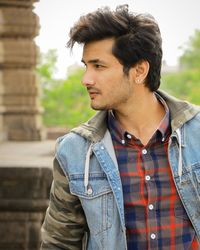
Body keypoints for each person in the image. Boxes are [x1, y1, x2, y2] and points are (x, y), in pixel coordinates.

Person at [41, 4, 200, 250]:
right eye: (86, 66)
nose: (86, 79)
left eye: (99, 66)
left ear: (139, 71)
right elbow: (58, 243)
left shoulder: (197, 134)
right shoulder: (74, 152)